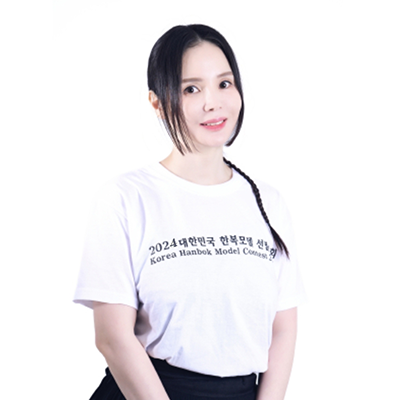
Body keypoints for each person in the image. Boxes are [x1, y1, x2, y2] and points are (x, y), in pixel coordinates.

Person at [74, 24, 306, 400]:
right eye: (191, 89)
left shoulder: (267, 201)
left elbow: (282, 328)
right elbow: (113, 337)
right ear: (157, 103)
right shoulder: (126, 198)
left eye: (224, 84)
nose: (213, 102)